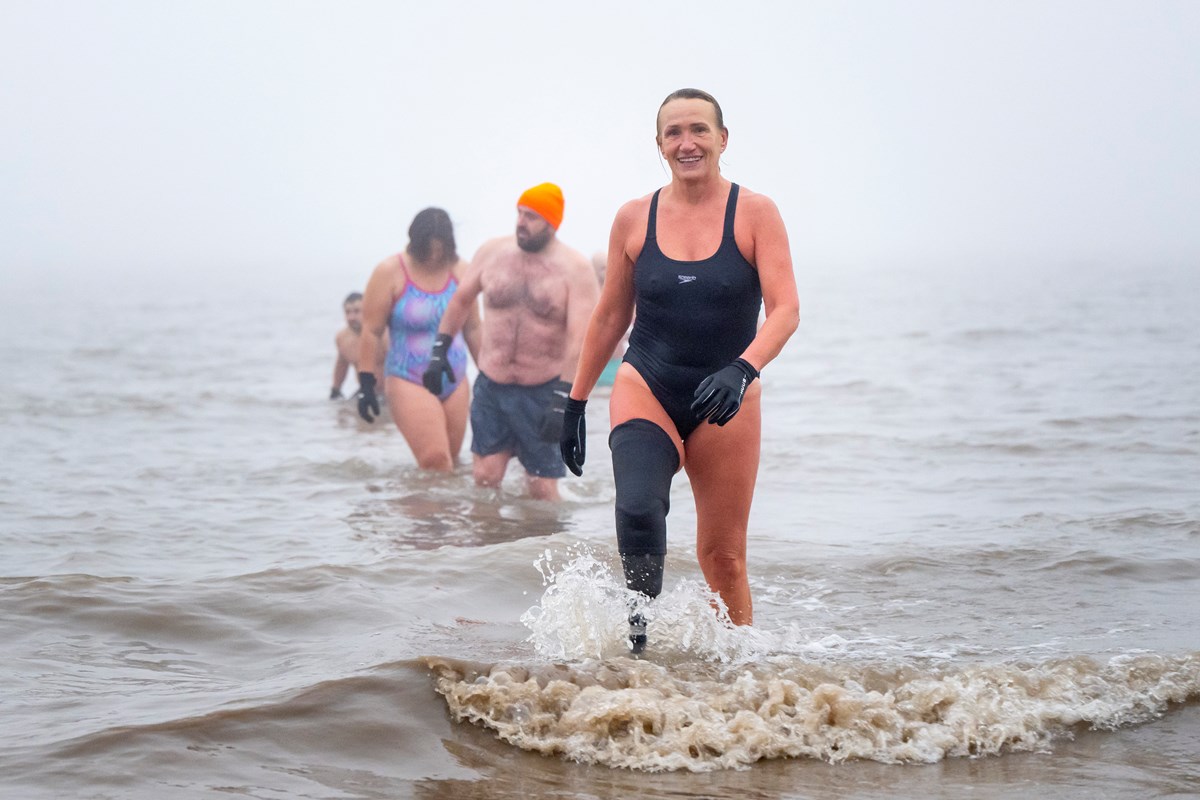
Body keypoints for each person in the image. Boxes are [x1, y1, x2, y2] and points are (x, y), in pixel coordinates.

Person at [559, 89, 800, 651]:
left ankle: (742, 669)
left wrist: (743, 368)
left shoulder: (756, 213)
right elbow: (610, 315)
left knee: (723, 556)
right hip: (647, 381)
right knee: (639, 509)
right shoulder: (633, 217)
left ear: (722, 139)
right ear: (660, 145)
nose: (686, 142)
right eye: (674, 133)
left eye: (698, 129)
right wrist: (573, 404)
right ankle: (639, 652)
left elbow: (785, 310)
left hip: (728, 397)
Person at [424, 183, 599, 501]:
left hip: (544, 390)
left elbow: (580, 340)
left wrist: (563, 400)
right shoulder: (492, 253)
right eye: (519, 213)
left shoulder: (575, 269)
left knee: (541, 489)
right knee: (485, 478)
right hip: (493, 385)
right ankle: (491, 547)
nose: (521, 222)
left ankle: (542, 548)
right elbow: (460, 301)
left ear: (551, 223)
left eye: (531, 216)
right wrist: (439, 353)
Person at [356, 208, 481, 472]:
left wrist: (491, 376)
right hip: (407, 377)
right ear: (415, 244)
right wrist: (366, 382)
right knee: (436, 460)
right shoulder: (390, 271)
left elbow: (473, 329)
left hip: (455, 378)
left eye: (440, 250)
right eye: (428, 250)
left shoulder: (462, 270)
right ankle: (421, 512)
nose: (434, 257)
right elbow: (371, 331)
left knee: (453, 464)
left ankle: (445, 513)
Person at [330, 292, 385, 399]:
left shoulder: (385, 334)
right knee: (341, 410)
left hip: (392, 392)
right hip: (367, 392)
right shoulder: (342, 338)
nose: (351, 317)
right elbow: (342, 365)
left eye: (357, 311)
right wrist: (335, 389)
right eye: (347, 312)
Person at [591, 251, 629, 388]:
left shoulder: (622, 294)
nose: (605, 271)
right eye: (602, 267)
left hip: (617, 363)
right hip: (595, 364)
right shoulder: (589, 297)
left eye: (607, 266)